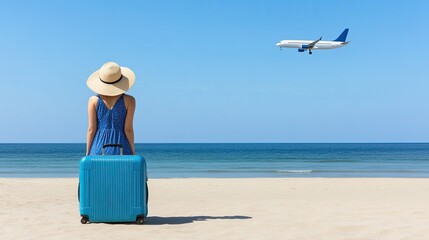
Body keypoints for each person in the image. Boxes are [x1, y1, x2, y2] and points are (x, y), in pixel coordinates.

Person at [85, 62, 136, 155]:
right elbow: (128, 129)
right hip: (122, 148)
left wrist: (87, 153)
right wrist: (133, 151)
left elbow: (91, 130)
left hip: (98, 148)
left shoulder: (93, 101)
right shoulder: (130, 100)